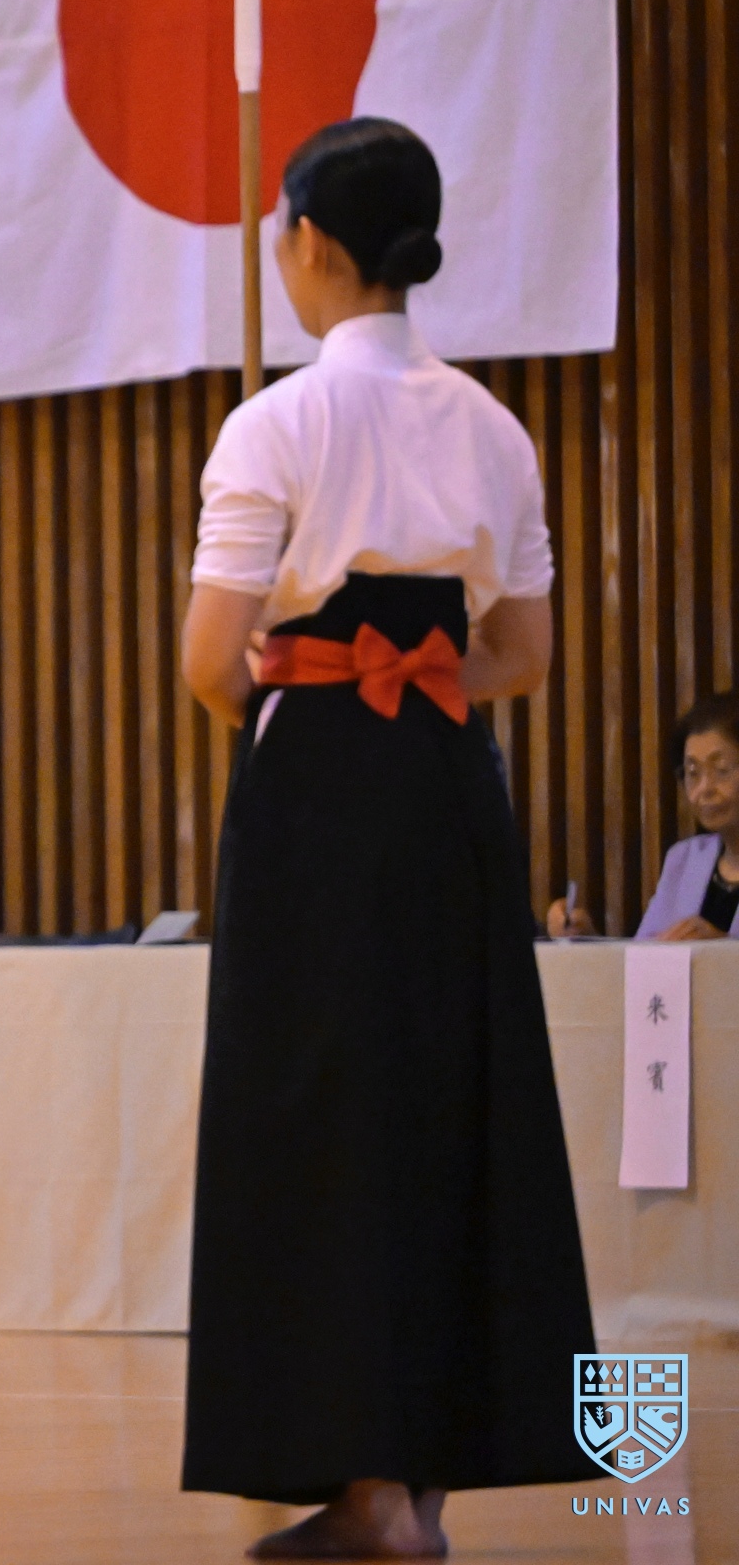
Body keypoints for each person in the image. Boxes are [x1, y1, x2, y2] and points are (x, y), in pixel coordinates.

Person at [178, 119, 596, 1559]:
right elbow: (523, 652)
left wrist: (311, 691)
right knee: (446, 1110)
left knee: (319, 1121)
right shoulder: (493, 426)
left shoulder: (275, 425)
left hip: (317, 791)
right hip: (446, 782)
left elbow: (211, 660)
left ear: (308, 241)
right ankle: (419, 1493)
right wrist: (416, 682)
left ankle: (364, 1497)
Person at [549, 690, 739, 941]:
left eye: (721, 770)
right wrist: (584, 937)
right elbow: (645, 954)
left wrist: (722, 950)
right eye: (693, 773)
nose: (704, 789)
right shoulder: (684, 860)